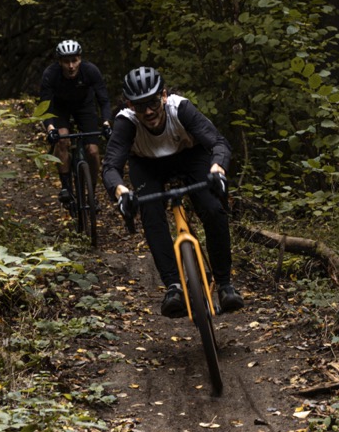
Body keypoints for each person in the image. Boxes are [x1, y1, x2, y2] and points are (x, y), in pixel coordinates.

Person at [103, 66, 244, 318]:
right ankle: (173, 287)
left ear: (164, 96)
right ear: (129, 105)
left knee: (213, 208)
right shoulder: (125, 122)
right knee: (151, 214)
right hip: (147, 166)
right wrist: (121, 190)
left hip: (190, 156)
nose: (148, 111)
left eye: (153, 102)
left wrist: (217, 168)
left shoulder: (181, 109)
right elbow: (111, 167)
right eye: (140, 105)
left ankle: (224, 284)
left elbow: (218, 142)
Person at [38, 39, 111, 208]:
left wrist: (107, 123)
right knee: (62, 139)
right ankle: (66, 188)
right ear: (59, 62)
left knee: (92, 151)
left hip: (84, 107)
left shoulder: (90, 71)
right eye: (66, 61)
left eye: (74, 61)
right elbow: (45, 106)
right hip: (60, 108)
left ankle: (92, 192)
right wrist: (50, 128)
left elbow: (104, 100)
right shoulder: (51, 74)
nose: (71, 66)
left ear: (80, 59)